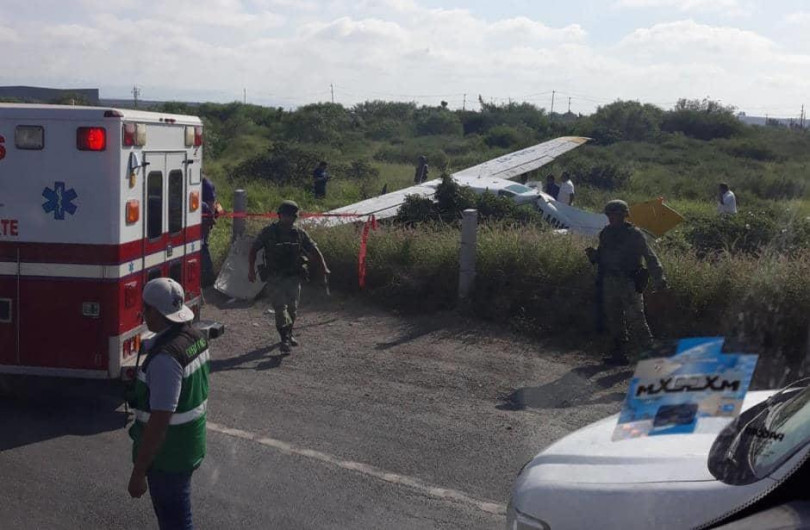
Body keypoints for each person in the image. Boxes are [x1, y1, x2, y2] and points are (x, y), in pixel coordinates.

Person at [128, 277, 210, 530]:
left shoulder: (166, 359)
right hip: (188, 444)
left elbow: (160, 420)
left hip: (168, 456)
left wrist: (138, 472)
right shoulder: (195, 337)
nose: (143, 314)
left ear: (155, 312)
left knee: (175, 522)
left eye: (145, 309)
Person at [585, 200, 667, 365]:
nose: (611, 218)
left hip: (629, 282)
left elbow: (650, 257)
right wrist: (594, 256)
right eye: (609, 214)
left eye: (614, 214)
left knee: (637, 320)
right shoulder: (606, 233)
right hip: (610, 281)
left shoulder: (635, 234)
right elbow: (603, 256)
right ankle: (619, 354)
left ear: (624, 215)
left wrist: (660, 280)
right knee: (614, 319)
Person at [248, 200, 330, 354]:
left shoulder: (299, 233)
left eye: (291, 216)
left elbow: (314, 249)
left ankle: (289, 333)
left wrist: (323, 267)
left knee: (293, 309)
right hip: (274, 276)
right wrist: (251, 270)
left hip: (293, 276)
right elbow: (253, 249)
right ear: (280, 215)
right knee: (280, 308)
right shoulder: (269, 232)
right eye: (285, 215)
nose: (288, 219)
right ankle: (284, 339)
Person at [201, 176, 219, 287]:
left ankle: (208, 278)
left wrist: (206, 224)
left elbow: (211, 207)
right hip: (200, 221)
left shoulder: (206, 185)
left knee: (203, 247)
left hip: (203, 224)